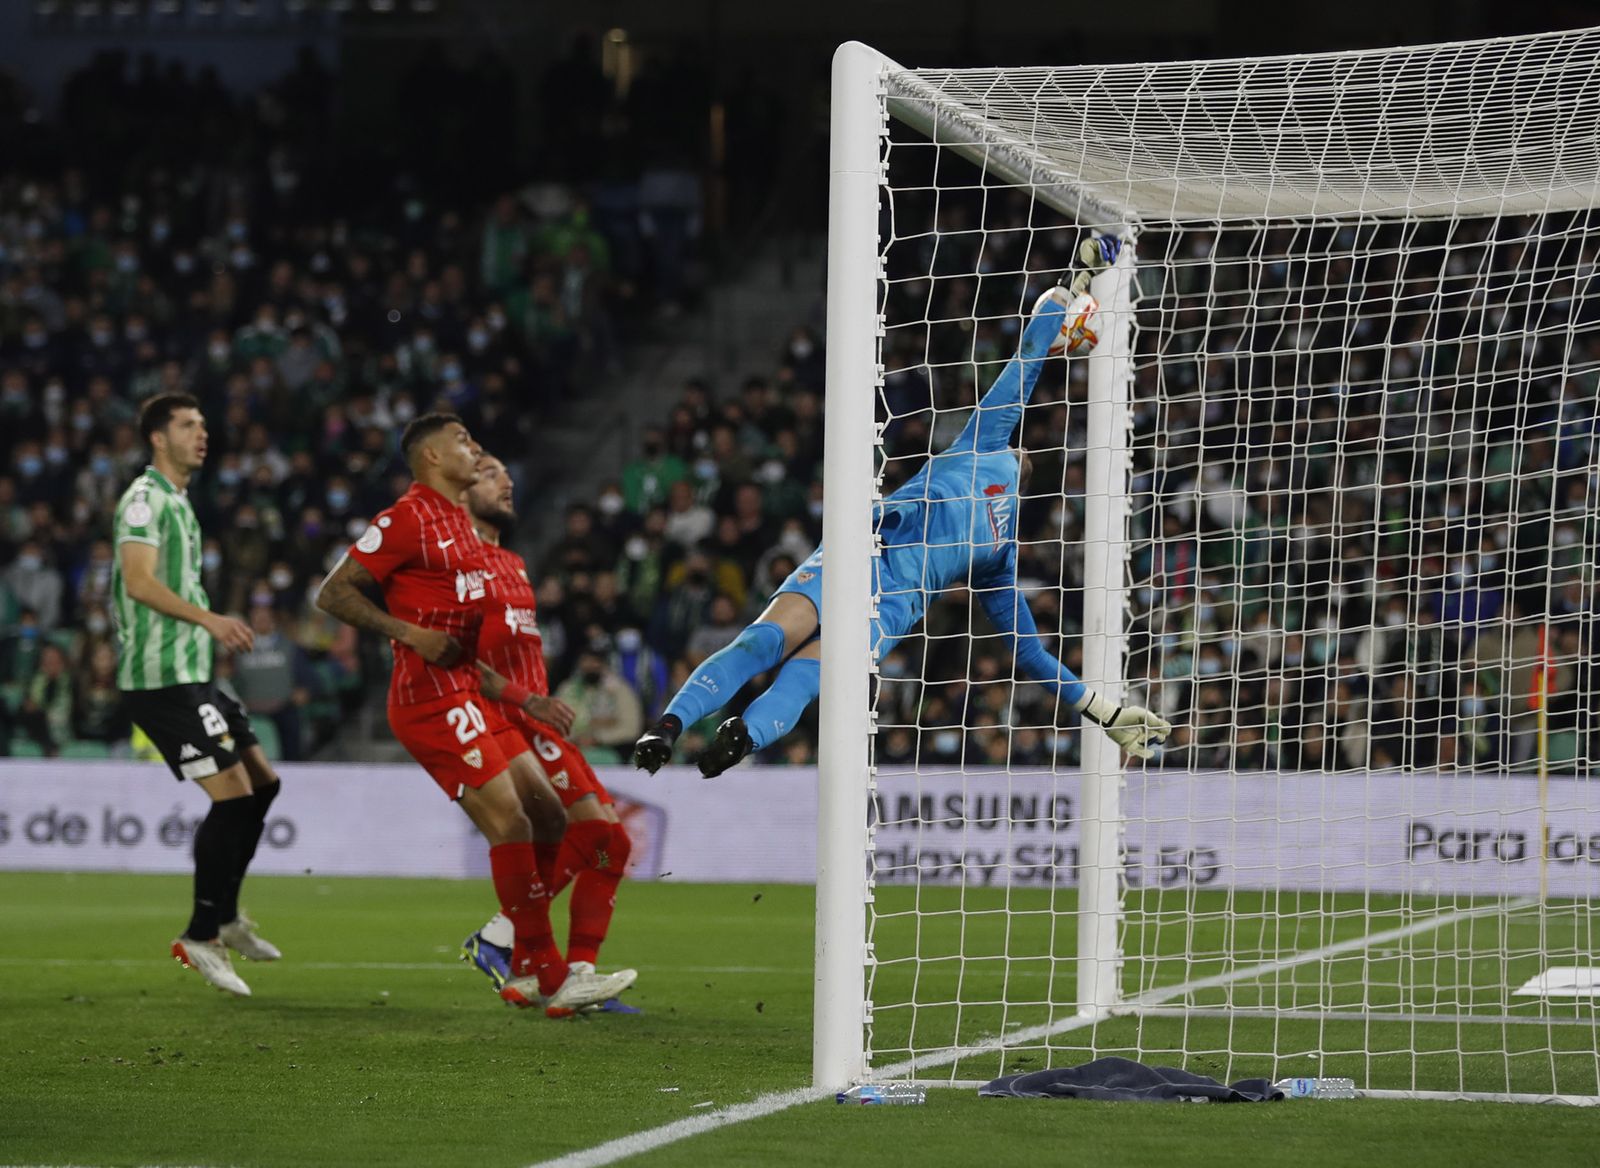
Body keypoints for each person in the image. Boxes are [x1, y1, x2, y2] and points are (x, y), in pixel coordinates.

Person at [633, 238, 1174, 777]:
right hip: (890, 598)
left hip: (865, 552)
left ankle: (674, 725)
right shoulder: (999, 555)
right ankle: (740, 736)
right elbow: (1032, 655)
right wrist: (1104, 711)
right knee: (801, 677)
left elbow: (1027, 359)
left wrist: (1077, 279)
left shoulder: (985, 447)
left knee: (761, 642)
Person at [315, 412, 633, 1017]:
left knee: (547, 819)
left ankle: (520, 956)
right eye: (465, 443)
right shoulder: (406, 517)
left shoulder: (466, 534)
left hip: (472, 693)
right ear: (432, 457)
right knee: (517, 822)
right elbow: (333, 593)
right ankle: (547, 971)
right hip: (429, 700)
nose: (477, 449)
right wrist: (407, 631)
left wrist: (526, 698)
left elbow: (470, 650)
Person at [112, 392, 283, 997]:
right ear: (158, 437)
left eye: (204, 424)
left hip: (193, 675)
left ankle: (228, 917)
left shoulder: (182, 503)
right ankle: (201, 933)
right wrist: (209, 620)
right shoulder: (144, 500)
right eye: (188, 424)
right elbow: (137, 582)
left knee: (264, 783)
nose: (201, 433)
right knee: (234, 799)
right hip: (158, 681)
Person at [457, 454, 639, 1013]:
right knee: (586, 833)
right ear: (459, 490)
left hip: (539, 715)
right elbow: (457, 656)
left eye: (508, 474)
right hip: (507, 717)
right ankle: (503, 938)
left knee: (614, 843)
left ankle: (564, 973)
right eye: (489, 473)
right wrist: (519, 701)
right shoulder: (456, 565)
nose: (506, 480)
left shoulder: (512, 562)